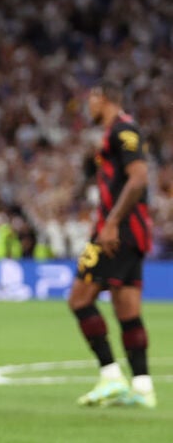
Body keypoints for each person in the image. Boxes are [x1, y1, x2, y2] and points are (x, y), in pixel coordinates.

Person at [68, 80, 156, 408]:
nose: (86, 107)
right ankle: (143, 387)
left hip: (117, 232)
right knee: (127, 309)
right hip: (133, 233)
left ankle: (111, 376)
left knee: (79, 300)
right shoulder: (113, 135)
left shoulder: (123, 131)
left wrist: (113, 223)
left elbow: (139, 178)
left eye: (89, 99)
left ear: (101, 98)